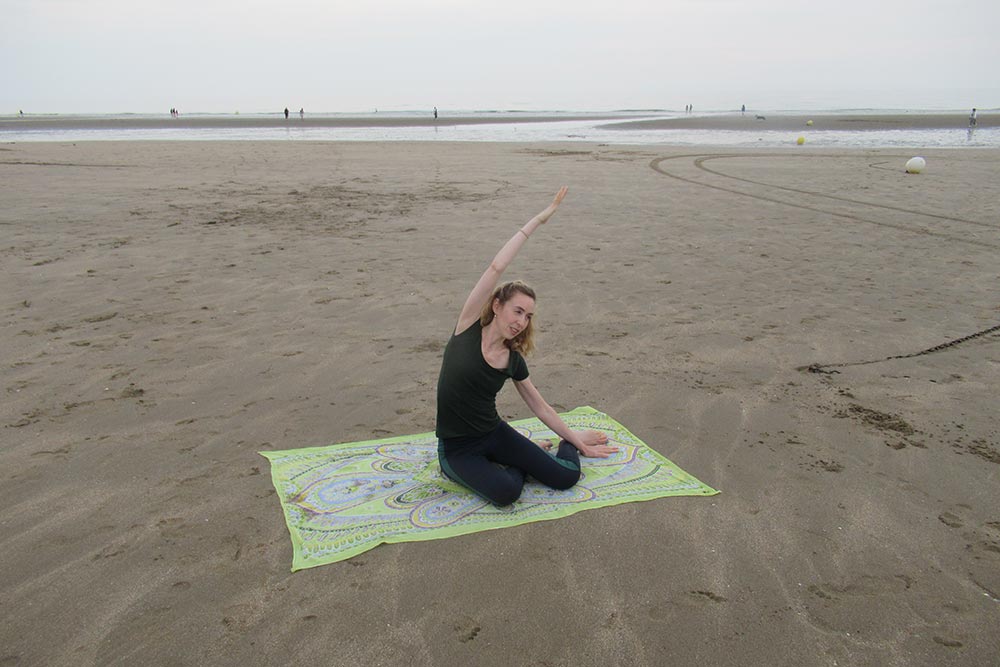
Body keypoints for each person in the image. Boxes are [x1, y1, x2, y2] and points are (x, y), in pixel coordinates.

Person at [435, 187, 618, 506]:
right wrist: (538, 219)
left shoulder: (512, 360)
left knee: (565, 478)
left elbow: (541, 407)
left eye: (528, 316)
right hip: (457, 448)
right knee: (507, 493)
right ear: (497, 305)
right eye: (517, 311)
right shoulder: (466, 327)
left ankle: (564, 444)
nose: (521, 321)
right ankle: (517, 462)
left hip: (493, 434)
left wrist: (576, 442)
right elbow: (496, 267)